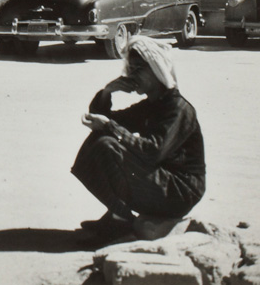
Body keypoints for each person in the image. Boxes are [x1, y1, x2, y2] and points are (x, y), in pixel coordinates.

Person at [71, 35, 206, 241]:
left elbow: (153, 151)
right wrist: (108, 91)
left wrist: (109, 126)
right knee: (99, 140)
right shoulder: (151, 105)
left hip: (180, 191)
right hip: (162, 180)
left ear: (156, 70)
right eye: (130, 69)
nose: (132, 76)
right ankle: (118, 215)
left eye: (139, 69)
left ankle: (121, 221)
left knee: (107, 145)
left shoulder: (178, 109)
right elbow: (109, 121)